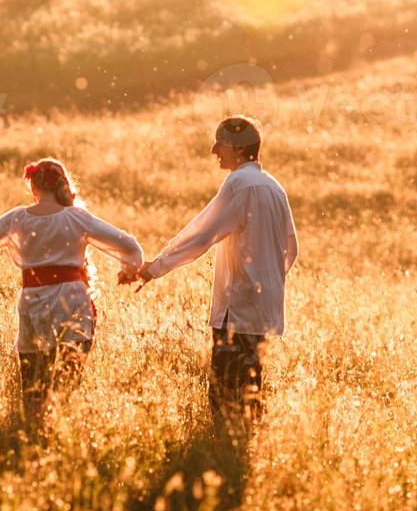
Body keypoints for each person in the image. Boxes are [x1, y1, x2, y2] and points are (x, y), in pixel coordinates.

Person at [123, 116, 298, 426]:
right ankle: (246, 450)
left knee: (224, 392)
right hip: (264, 307)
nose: (214, 150)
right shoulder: (274, 186)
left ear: (239, 149)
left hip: (239, 305)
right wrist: (269, 281)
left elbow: (201, 234)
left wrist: (156, 268)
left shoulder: (239, 184)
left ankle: (223, 451)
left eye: (221, 144)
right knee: (251, 387)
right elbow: (291, 247)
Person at [0, 158, 144, 423]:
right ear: (63, 184)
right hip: (72, 301)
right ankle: (62, 431)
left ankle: (33, 434)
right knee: (66, 385)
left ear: (33, 188)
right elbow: (128, 244)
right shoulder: (76, 217)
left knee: (33, 387)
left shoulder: (18, 218)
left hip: (32, 300)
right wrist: (129, 270)